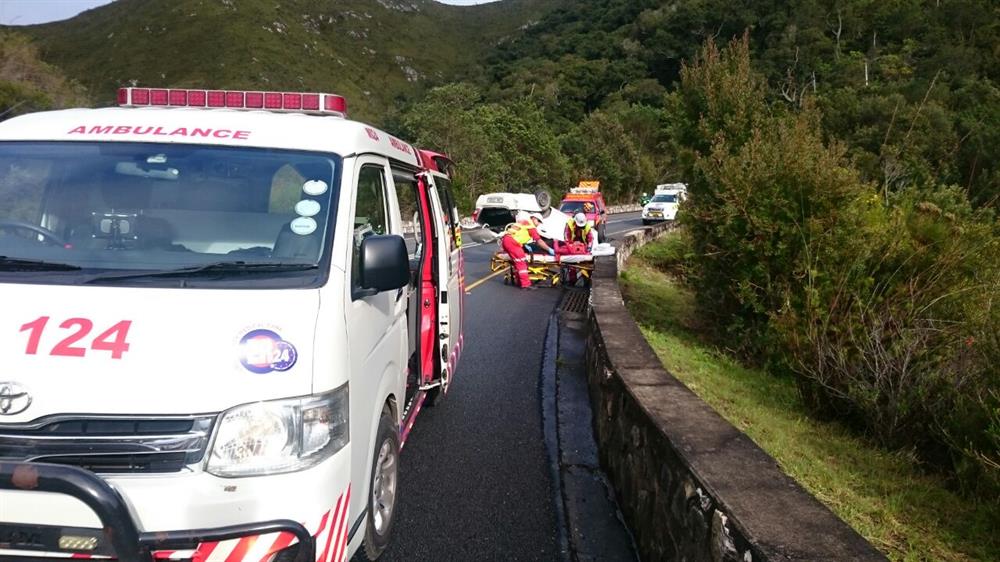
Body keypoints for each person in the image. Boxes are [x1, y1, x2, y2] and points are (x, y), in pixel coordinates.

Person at [500, 211, 553, 289]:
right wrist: (549, 249)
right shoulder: (530, 226)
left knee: (517, 262)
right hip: (512, 243)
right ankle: (526, 285)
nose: (539, 224)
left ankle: (519, 281)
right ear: (534, 218)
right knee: (521, 263)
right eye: (539, 221)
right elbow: (539, 241)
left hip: (506, 240)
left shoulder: (523, 222)